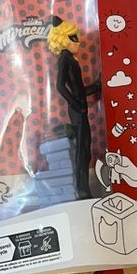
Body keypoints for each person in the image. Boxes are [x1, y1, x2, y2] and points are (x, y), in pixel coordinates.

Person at [47, 16, 101, 199]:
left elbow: (78, 89)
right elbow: (60, 86)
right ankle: (82, 189)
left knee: (85, 148)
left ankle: (83, 187)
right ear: (63, 39)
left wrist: (95, 86)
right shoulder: (65, 59)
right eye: (73, 38)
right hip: (78, 110)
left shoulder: (70, 59)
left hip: (80, 108)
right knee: (82, 151)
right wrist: (76, 104)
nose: (77, 42)